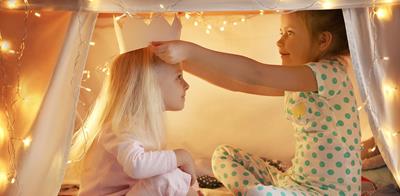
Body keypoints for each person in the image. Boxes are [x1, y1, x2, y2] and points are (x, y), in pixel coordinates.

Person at [151, 9, 361, 195]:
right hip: (295, 181)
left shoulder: (329, 73)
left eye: (289, 33)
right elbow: (239, 83)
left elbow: (255, 74)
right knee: (222, 155)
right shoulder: (301, 79)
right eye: (281, 33)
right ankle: (267, 192)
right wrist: (183, 62)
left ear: (323, 41)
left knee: (257, 193)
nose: (280, 42)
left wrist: (192, 51)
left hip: (327, 192)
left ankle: (262, 193)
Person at [70, 47, 199, 196]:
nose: (186, 85)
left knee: (172, 173)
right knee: (166, 179)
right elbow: (136, 166)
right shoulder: (120, 126)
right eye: (179, 76)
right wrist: (182, 156)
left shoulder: (140, 125)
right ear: (149, 84)